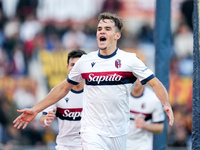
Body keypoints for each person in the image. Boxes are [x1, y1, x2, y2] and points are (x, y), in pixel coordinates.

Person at [13, 12, 174, 150]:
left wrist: (166, 103)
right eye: (99, 29)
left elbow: (154, 83)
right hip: (92, 131)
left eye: (107, 29)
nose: (101, 32)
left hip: (119, 132)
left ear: (117, 35)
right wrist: (35, 109)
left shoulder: (129, 60)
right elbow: (63, 88)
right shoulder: (85, 61)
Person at [39, 49, 86, 150]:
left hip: (87, 145)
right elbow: (42, 120)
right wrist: (46, 120)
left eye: (79, 65)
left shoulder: (94, 92)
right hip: (64, 146)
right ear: (67, 67)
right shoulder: (57, 92)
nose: (76, 68)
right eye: (73, 65)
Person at [126, 79, 164, 150]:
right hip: (122, 142)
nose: (135, 81)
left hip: (142, 144)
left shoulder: (153, 99)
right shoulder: (122, 95)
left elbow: (160, 127)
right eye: (133, 77)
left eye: (138, 78)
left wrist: (145, 126)